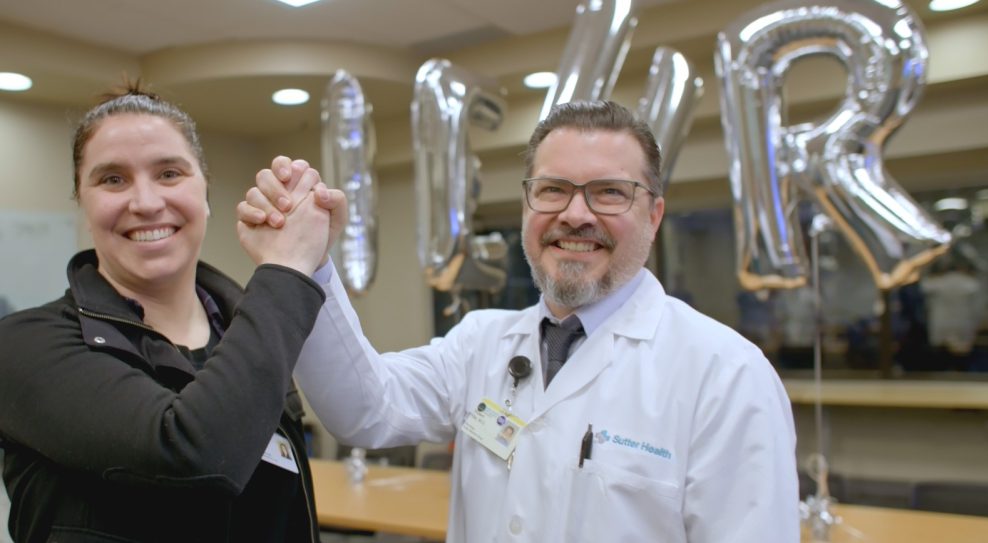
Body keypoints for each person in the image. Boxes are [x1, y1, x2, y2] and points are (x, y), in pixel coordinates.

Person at [239, 100, 798, 542]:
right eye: (553, 190)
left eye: (609, 193)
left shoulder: (726, 375)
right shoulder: (482, 342)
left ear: (653, 215)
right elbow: (365, 412)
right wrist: (304, 264)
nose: (575, 215)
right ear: (528, 207)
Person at [0, 83, 339, 542]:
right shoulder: (24, 345)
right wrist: (285, 268)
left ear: (205, 191)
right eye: (112, 179)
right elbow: (193, 454)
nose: (145, 202)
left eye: (169, 174)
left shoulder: (246, 330)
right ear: (82, 201)